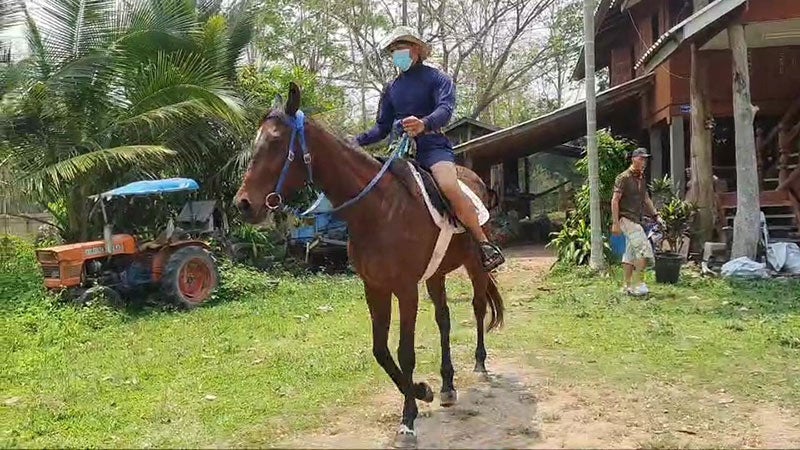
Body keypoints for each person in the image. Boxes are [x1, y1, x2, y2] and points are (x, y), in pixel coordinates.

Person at [355, 26, 505, 272]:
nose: (395, 54)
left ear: (415, 49)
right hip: (398, 151)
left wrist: (424, 123)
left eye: (399, 48)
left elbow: (445, 110)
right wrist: (355, 141)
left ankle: (484, 244)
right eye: (392, 50)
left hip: (433, 148)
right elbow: (380, 128)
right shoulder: (390, 89)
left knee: (448, 186)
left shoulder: (438, 79)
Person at [611, 147, 661, 296]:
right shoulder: (623, 177)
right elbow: (615, 200)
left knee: (630, 253)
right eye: (641, 158)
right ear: (633, 159)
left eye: (645, 159)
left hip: (637, 219)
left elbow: (646, 199)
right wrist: (615, 223)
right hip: (626, 219)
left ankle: (626, 286)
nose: (643, 161)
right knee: (644, 251)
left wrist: (656, 215)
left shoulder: (641, 178)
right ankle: (639, 284)